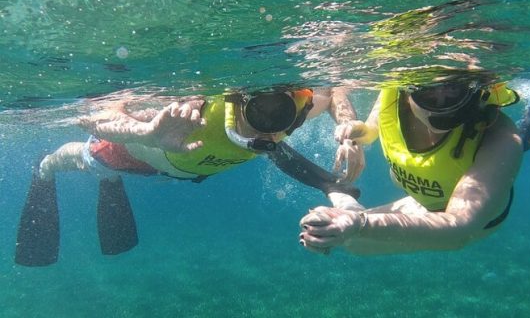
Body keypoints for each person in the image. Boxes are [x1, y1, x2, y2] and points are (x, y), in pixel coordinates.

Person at [15, 87, 364, 266]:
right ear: (237, 100)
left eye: (286, 121)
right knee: (89, 160)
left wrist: (347, 128)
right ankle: (45, 167)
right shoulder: (191, 110)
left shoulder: (293, 110)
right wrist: (147, 132)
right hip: (128, 154)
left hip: (186, 168)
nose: (274, 134)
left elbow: (333, 92)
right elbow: (94, 117)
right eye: (261, 114)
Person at [299, 80, 525, 255]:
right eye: (428, 88)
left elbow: (459, 224)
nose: (440, 102)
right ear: (407, 89)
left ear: (472, 89)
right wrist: (355, 135)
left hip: (463, 226)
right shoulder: (392, 96)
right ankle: (344, 201)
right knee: (351, 240)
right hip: (424, 198)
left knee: (355, 242)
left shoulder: (500, 136)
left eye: (453, 89)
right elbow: (370, 129)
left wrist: (360, 223)